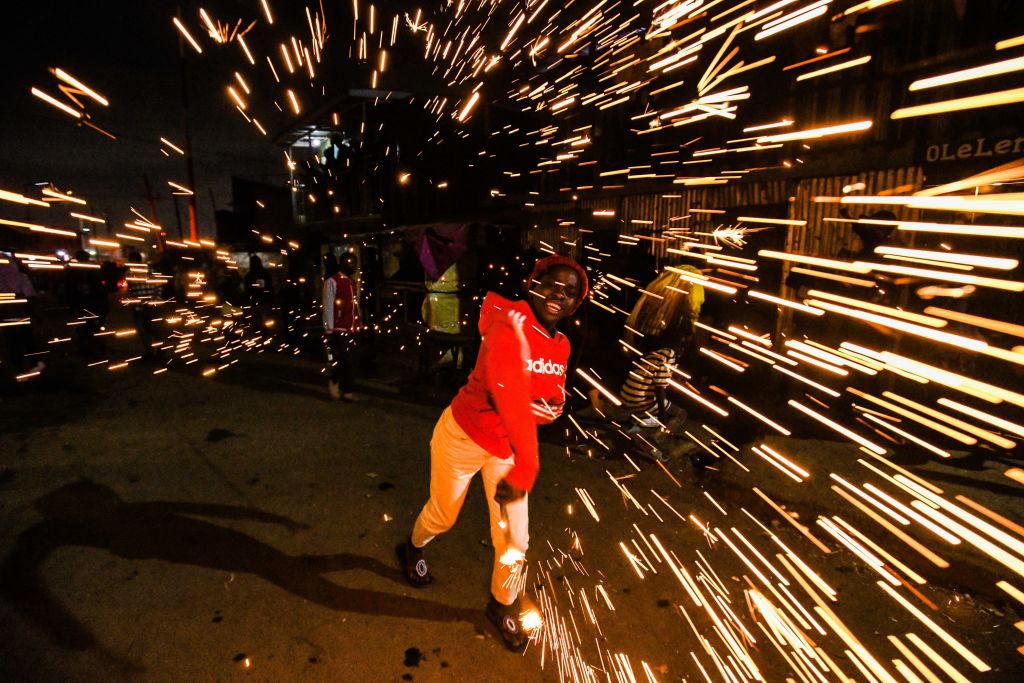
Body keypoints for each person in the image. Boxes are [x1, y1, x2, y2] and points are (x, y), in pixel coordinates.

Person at [397, 255, 588, 651]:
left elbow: (554, 403)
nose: (560, 295)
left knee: (516, 540)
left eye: (571, 293)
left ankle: (502, 605)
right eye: (553, 284)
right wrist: (529, 430)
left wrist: (532, 409)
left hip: (508, 449)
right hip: (464, 436)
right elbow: (509, 393)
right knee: (443, 514)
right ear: (534, 283)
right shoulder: (508, 321)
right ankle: (412, 546)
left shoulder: (562, 345)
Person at [322, 252, 361, 401]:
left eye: (355, 263)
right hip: (339, 327)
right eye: (350, 262)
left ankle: (347, 390)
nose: (353, 266)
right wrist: (329, 329)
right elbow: (328, 306)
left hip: (354, 327)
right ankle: (335, 380)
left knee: (355, 359)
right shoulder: (332, 282)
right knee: (345, 359)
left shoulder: (353, 283)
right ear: (342, 263)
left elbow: (357, 306)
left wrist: (360, 322)